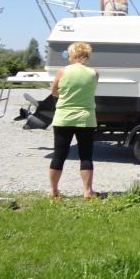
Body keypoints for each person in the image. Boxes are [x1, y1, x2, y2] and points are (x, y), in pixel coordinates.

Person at [48, 42, 100, 199]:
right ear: (86, 55)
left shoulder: (62, 71)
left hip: (64, 118)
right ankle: (87, 191)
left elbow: (54, 92)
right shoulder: (94, 73)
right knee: (86, 156)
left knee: (59, 155)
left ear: (72, 55)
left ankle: (53, 191)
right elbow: (90, 91)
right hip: (86, 119)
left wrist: (65, 95)